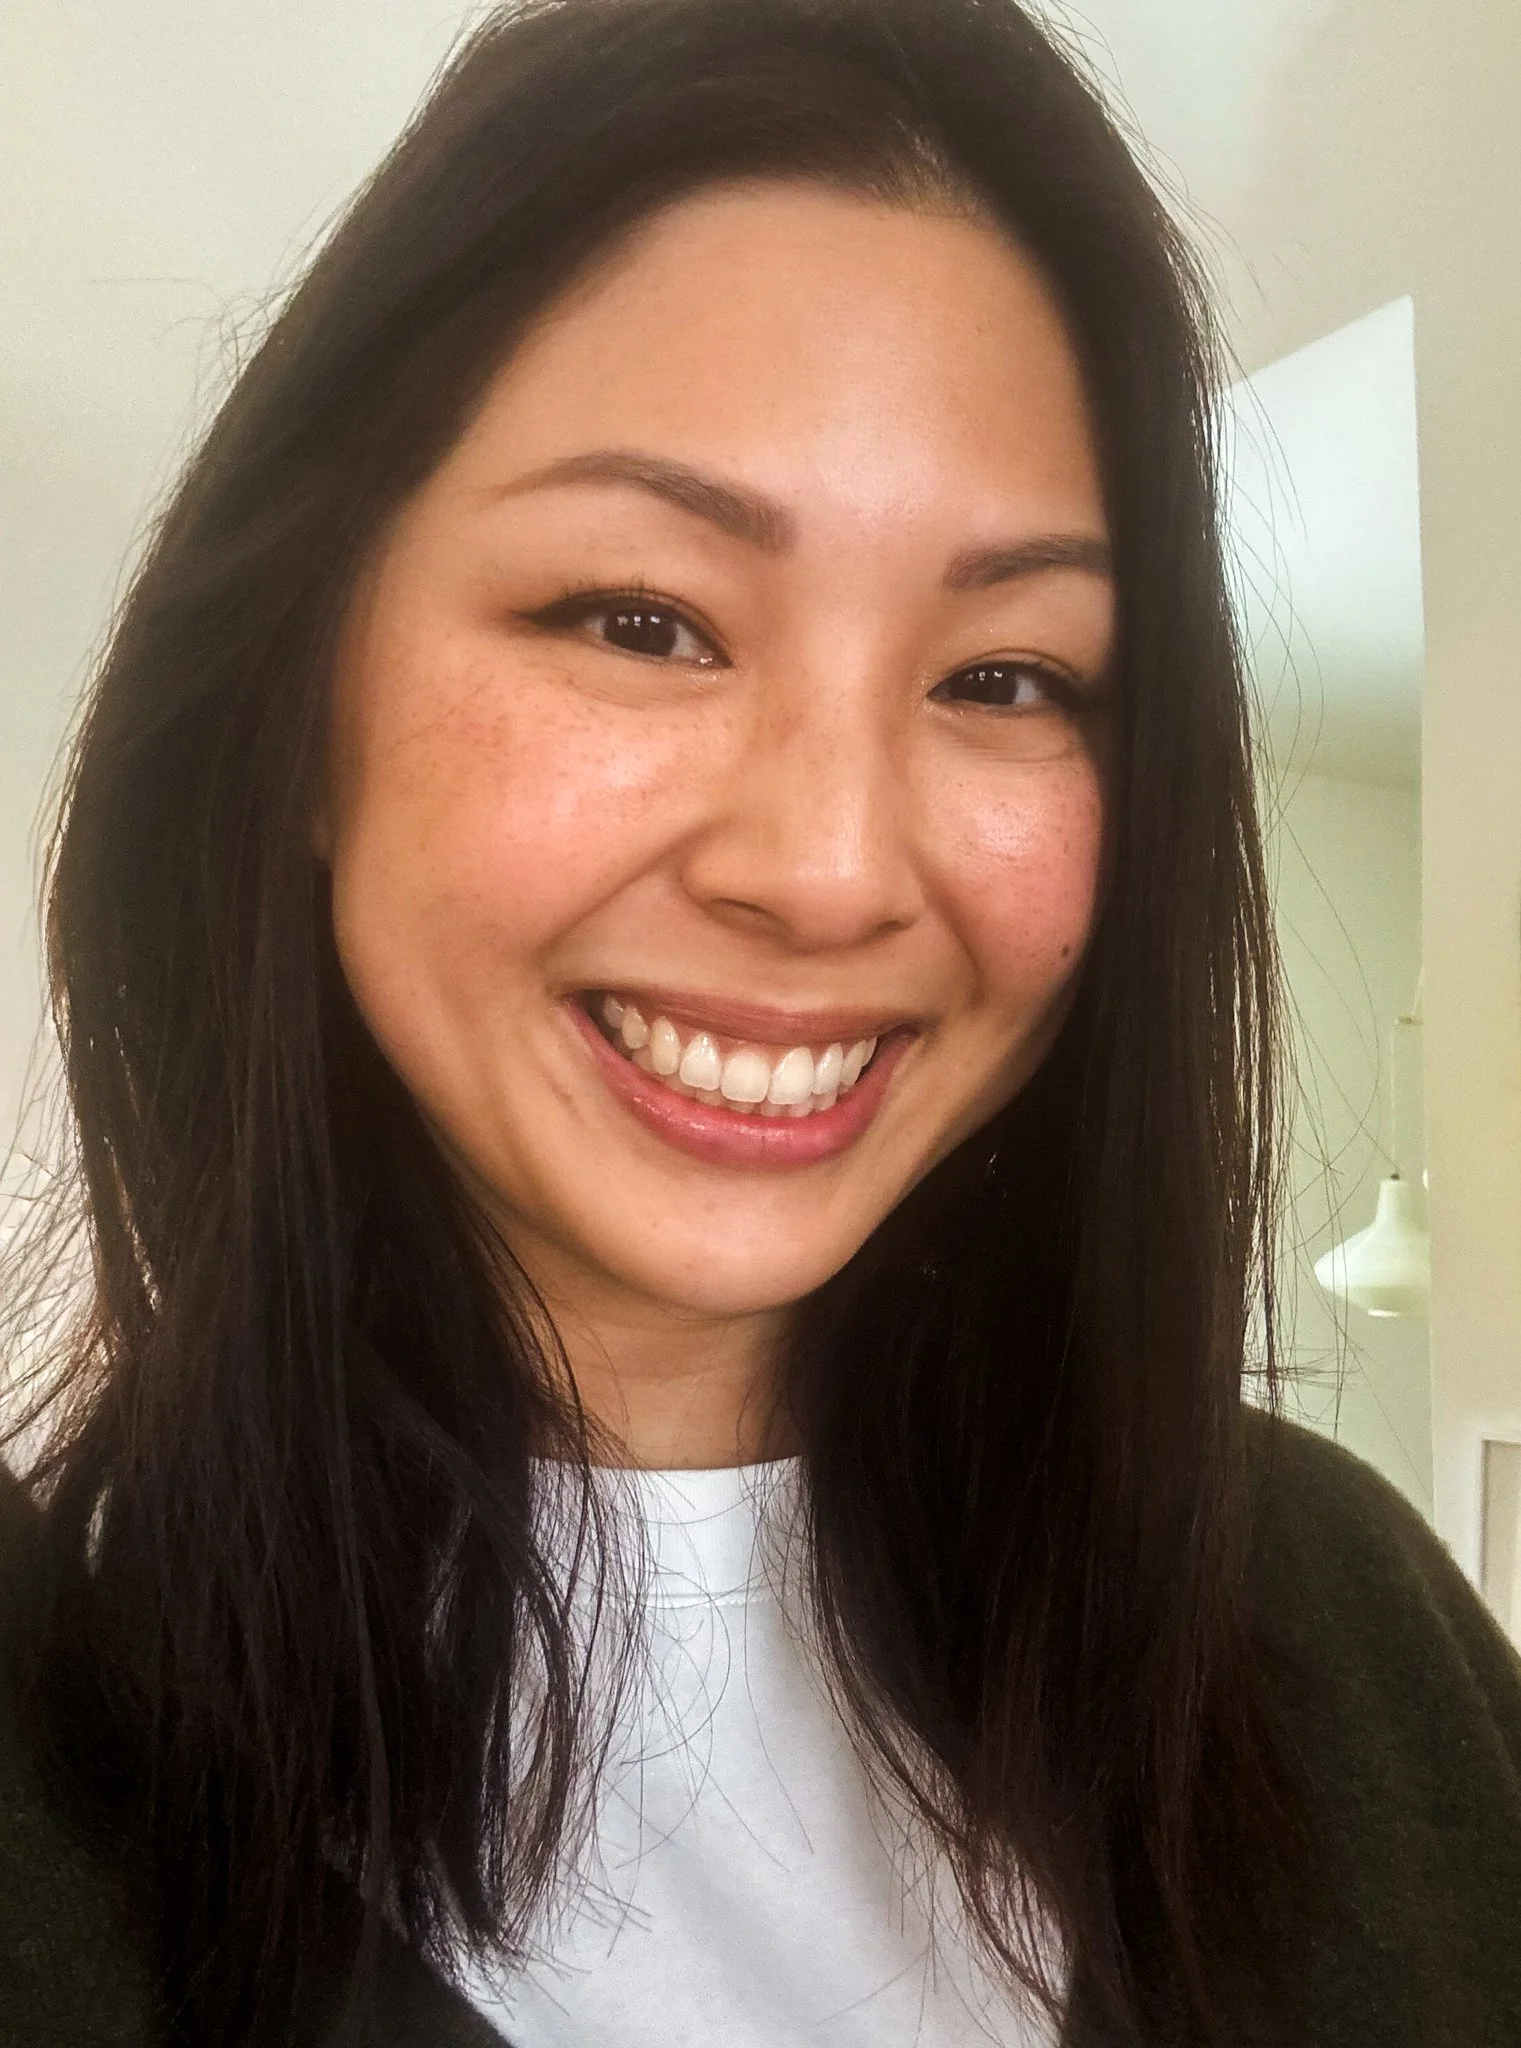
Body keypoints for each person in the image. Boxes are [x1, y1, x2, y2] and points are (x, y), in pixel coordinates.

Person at [1, 0, 1518, 2042]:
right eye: (643, 623)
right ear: (295, 709)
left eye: (1003, 677)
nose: (829, 869)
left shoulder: (1349, 1624)